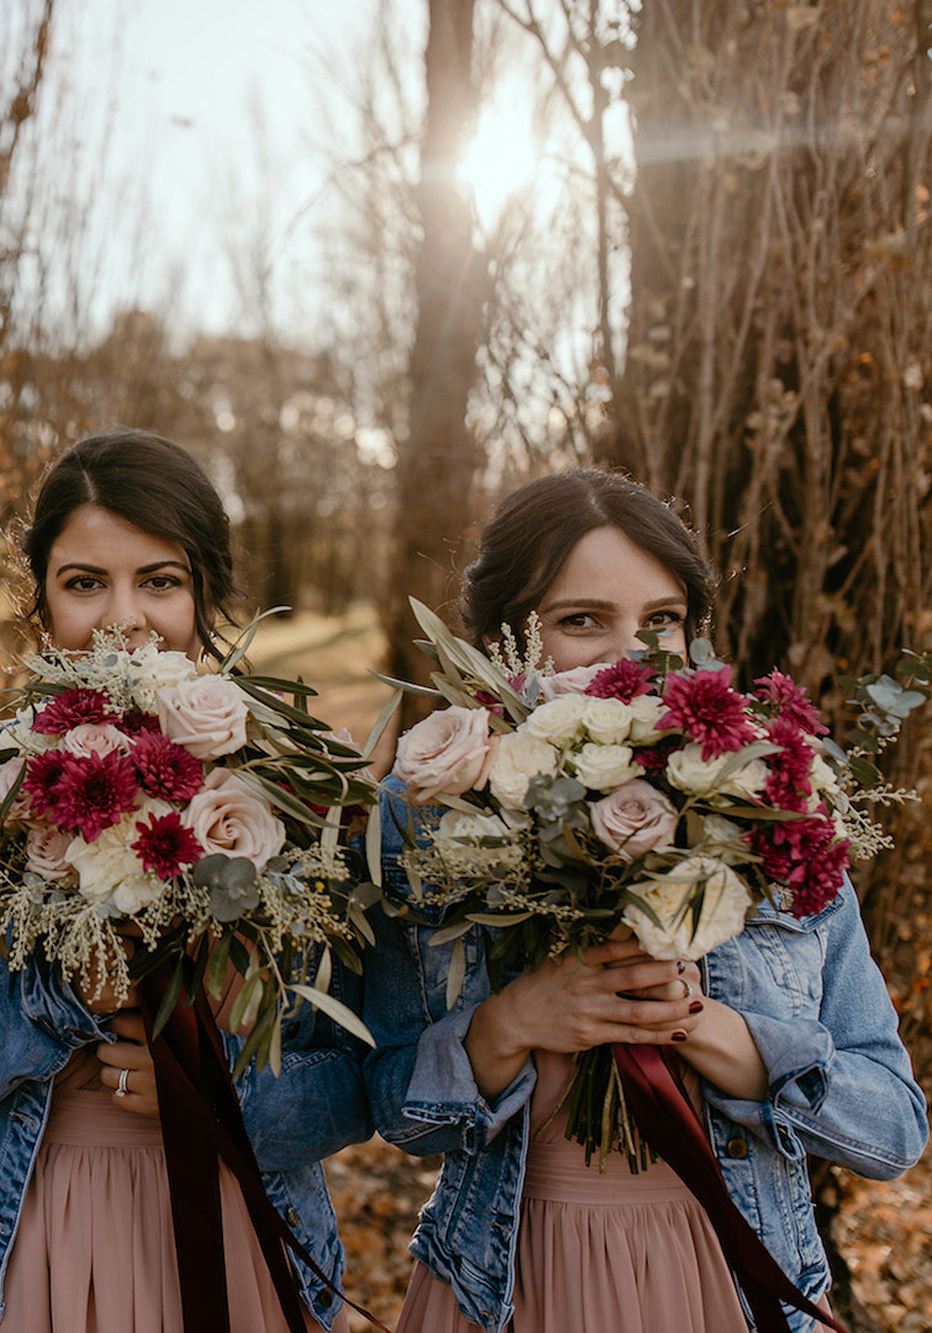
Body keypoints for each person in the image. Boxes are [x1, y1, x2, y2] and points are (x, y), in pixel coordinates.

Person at [363, 467, 928, 1332]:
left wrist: (711, 1029)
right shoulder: (427, 813)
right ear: (503, 641)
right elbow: (394, 1109)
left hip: (730, 1278)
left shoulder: (770, 804)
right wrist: (511, 1024)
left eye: (660, 621)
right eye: (581, 620)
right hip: (510, 1281)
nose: (630, 658)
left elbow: (892, 1128)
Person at [0, 430, 369, 1333]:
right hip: (3, 1251)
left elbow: (361, 1084)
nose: (124, 616)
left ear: (206, 595)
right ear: (41, 599)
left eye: (159, 580)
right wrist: (47, 1003)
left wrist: (215, 1095)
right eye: (85, 582)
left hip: (228, 1231)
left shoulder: (295, 794)